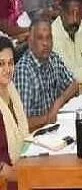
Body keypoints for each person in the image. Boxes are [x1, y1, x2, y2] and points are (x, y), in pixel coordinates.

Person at [14, 18, 77, 131]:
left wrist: (58, 103)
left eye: (49, 37)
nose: (45, 43)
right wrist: (48, 117)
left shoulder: (53, 58)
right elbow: (22, 122)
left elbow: (74, 85)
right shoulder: (24, 70)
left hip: (54, 128)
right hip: (35, 134)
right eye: (40, 38)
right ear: (30, 42)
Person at [0, 36, 29, 188]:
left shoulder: (11, 90)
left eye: (10, 63)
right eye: (1, 64)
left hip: (22, 167)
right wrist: (30, 178)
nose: (7, 69)